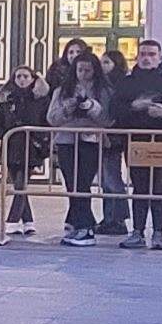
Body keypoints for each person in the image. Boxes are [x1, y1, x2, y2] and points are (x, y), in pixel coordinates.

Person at [106, 39, 162, 250]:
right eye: (143, 54)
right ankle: (137, 232)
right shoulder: (127, 83)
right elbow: (114, 110)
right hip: (135, 141)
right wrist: (133, 107)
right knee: (140, 187)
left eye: (152, 54)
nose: (147, 58)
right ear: (137, 57)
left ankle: (159, 233)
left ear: (160, 57)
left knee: (158, 187)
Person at [45, 51, 112, 246]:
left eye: (87, 70)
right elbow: (52, 118)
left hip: (91, 140)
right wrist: (68, 108)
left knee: (83, 183)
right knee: (72, 184)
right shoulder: (62, 91)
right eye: (80, 70)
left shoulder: (104, 91)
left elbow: (108, 119)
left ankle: (86, 228)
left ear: (95, 71)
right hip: (66, 141)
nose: (83, 74)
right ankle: (81, 223)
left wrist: (92, 107)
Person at [0, 64, 48, 240]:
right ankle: (28, 221)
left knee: (21, 183)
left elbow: (45, 122)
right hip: (11, 147)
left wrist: (42, 143)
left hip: (32, 148)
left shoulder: (41, 100)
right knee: (19, 185)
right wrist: (4, 132)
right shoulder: (7, 101)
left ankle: (12, 220)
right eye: (18, 76)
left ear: (33, 79)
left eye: (25, 76)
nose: (22, 80)